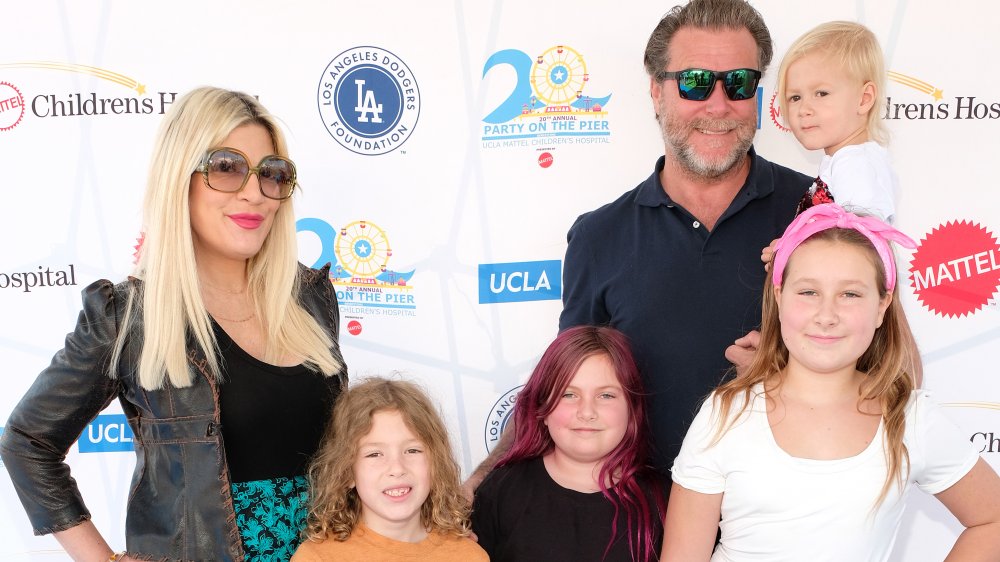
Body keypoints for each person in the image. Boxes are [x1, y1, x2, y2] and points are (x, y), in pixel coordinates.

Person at [0, 87, 348, 562]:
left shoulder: (310, 298)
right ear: (179, 178)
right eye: (226, 167)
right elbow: (26, 441)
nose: (254, 192)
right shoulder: (128, 317)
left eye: (271, 173)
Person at [550, 0, 813, 477]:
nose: (718, 105)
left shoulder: (816, 211)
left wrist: (798, 370)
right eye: (694, 82)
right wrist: (477, 489)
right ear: (656, 91)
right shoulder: (598, 237)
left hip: (789, 520)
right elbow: (565, 395)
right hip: (640, 528)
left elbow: (895, 370)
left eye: (739, 82)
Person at [662, 203, 1000, 561]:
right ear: (778, 297)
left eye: (850, 294)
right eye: (808, 292)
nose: (827, 316)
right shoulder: (726, 413)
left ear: (882, 306)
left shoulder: (909, 418)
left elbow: (991, 519)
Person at [472, 326, 665, 562]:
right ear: (542, 407)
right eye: (568, 394)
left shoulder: (664, 499)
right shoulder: (501, 491)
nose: (586, 412)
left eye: (606, 395)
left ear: (632, 409)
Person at [292, 378, 488, 562]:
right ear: (347, 472)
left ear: (436, 463)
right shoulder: (318, 558)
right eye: (375, 454)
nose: (397, 468)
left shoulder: (469, 556)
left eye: (412, 450)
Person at [779, 20, 897, 223]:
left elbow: (857, 243)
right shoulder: (847, 160)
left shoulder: (853, 163)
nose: (804, 110)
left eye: (821, 93)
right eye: (795, 97)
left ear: (864, 99)